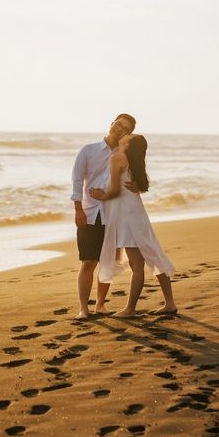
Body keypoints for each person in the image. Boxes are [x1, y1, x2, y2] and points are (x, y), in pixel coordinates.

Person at [89, 133, 177, 318]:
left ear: (128, 145)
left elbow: (114, 190)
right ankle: (169, 303)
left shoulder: (118, 157)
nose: (124, 136)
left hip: (126, 216)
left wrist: (100, 196)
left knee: (137, 265)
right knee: (154, 255)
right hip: (136, 213)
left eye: (128, 136)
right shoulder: (130, 160)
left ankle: (130, 309)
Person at [71, 113, 136, 320]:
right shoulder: (88, 150)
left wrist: (137, 186)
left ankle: (100, 305)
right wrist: (78, 209)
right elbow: (77, 180)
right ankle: (83, 308)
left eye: (124, 128)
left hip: (114, 215)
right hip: (90, 213)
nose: (119, 129)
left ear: (128, 134)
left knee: (108, 263)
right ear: (111, 124)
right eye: (118, 124)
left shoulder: (126, 155)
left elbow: (136, 180)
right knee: (88, 262)